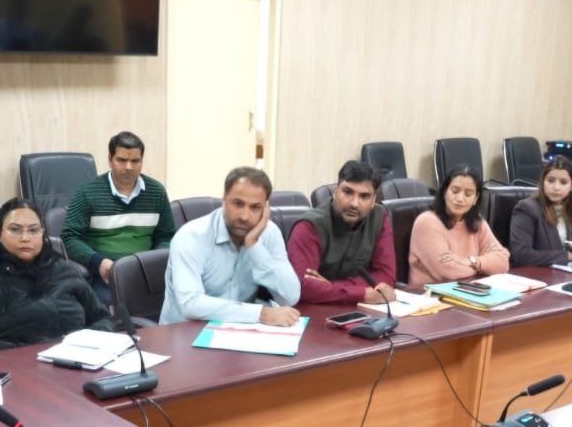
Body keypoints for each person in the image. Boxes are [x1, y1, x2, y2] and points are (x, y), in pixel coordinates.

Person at [0, 198, 113, 359]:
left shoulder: (64, 269)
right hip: (17, 367)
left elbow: (102, 318)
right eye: (15, 229)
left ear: (42, 233)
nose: (25, 238)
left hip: (79, 362)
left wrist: (83, 344)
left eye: (33, 230)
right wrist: (25, 354)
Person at [160, 167, 301, 326]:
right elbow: (190, 304)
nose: (244, 216)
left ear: (266, 208)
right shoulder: (191, 237)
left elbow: (290, 297)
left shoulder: (269, 233)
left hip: (237, 330)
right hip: (184, 332)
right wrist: (259, 314)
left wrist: (254, 245)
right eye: (238, 204)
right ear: (224, 199)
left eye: (255, 207)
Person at [61, 131, 177, 305]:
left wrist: (152, 261)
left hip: (146, 273)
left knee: (174, 304)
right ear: (110, 160)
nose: (129, 167)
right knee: (112, 310)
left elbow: (167, 236)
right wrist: (99, 262)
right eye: (122, 160)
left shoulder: (156, 192)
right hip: (105, 274)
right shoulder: (88, 192)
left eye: (135, 161)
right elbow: (69, 237)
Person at [286, 160, 398, 305]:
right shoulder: (308, 226)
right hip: (314, 310)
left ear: (373, 200)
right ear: (335, 192)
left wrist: (331, 287)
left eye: (364, 196)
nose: (354, 203)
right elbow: (303, 287)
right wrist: (362, 294)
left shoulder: (379, 217)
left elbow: (386, 276)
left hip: (359, 310)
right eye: (348, 192)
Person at [407, 165, 510, 284]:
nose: (460, 198)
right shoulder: (427, 222)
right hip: (430, 293)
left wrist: (471, 261)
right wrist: (484, 268)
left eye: (468, 194)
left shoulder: (477, 222)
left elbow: (503, 262)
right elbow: (447, 272)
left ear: (475, 199)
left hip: (470, 289)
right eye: (455, 191)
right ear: (445, 192)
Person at [508, 156, 572, 267]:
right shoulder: (526, 209)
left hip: (565, 272)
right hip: (536, 274)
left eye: (563, 182)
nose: (556, 187)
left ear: (571, 186)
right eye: (551, 180)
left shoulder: (570, 210)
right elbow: (521, 255)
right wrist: (568, 255)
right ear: (543, 181)